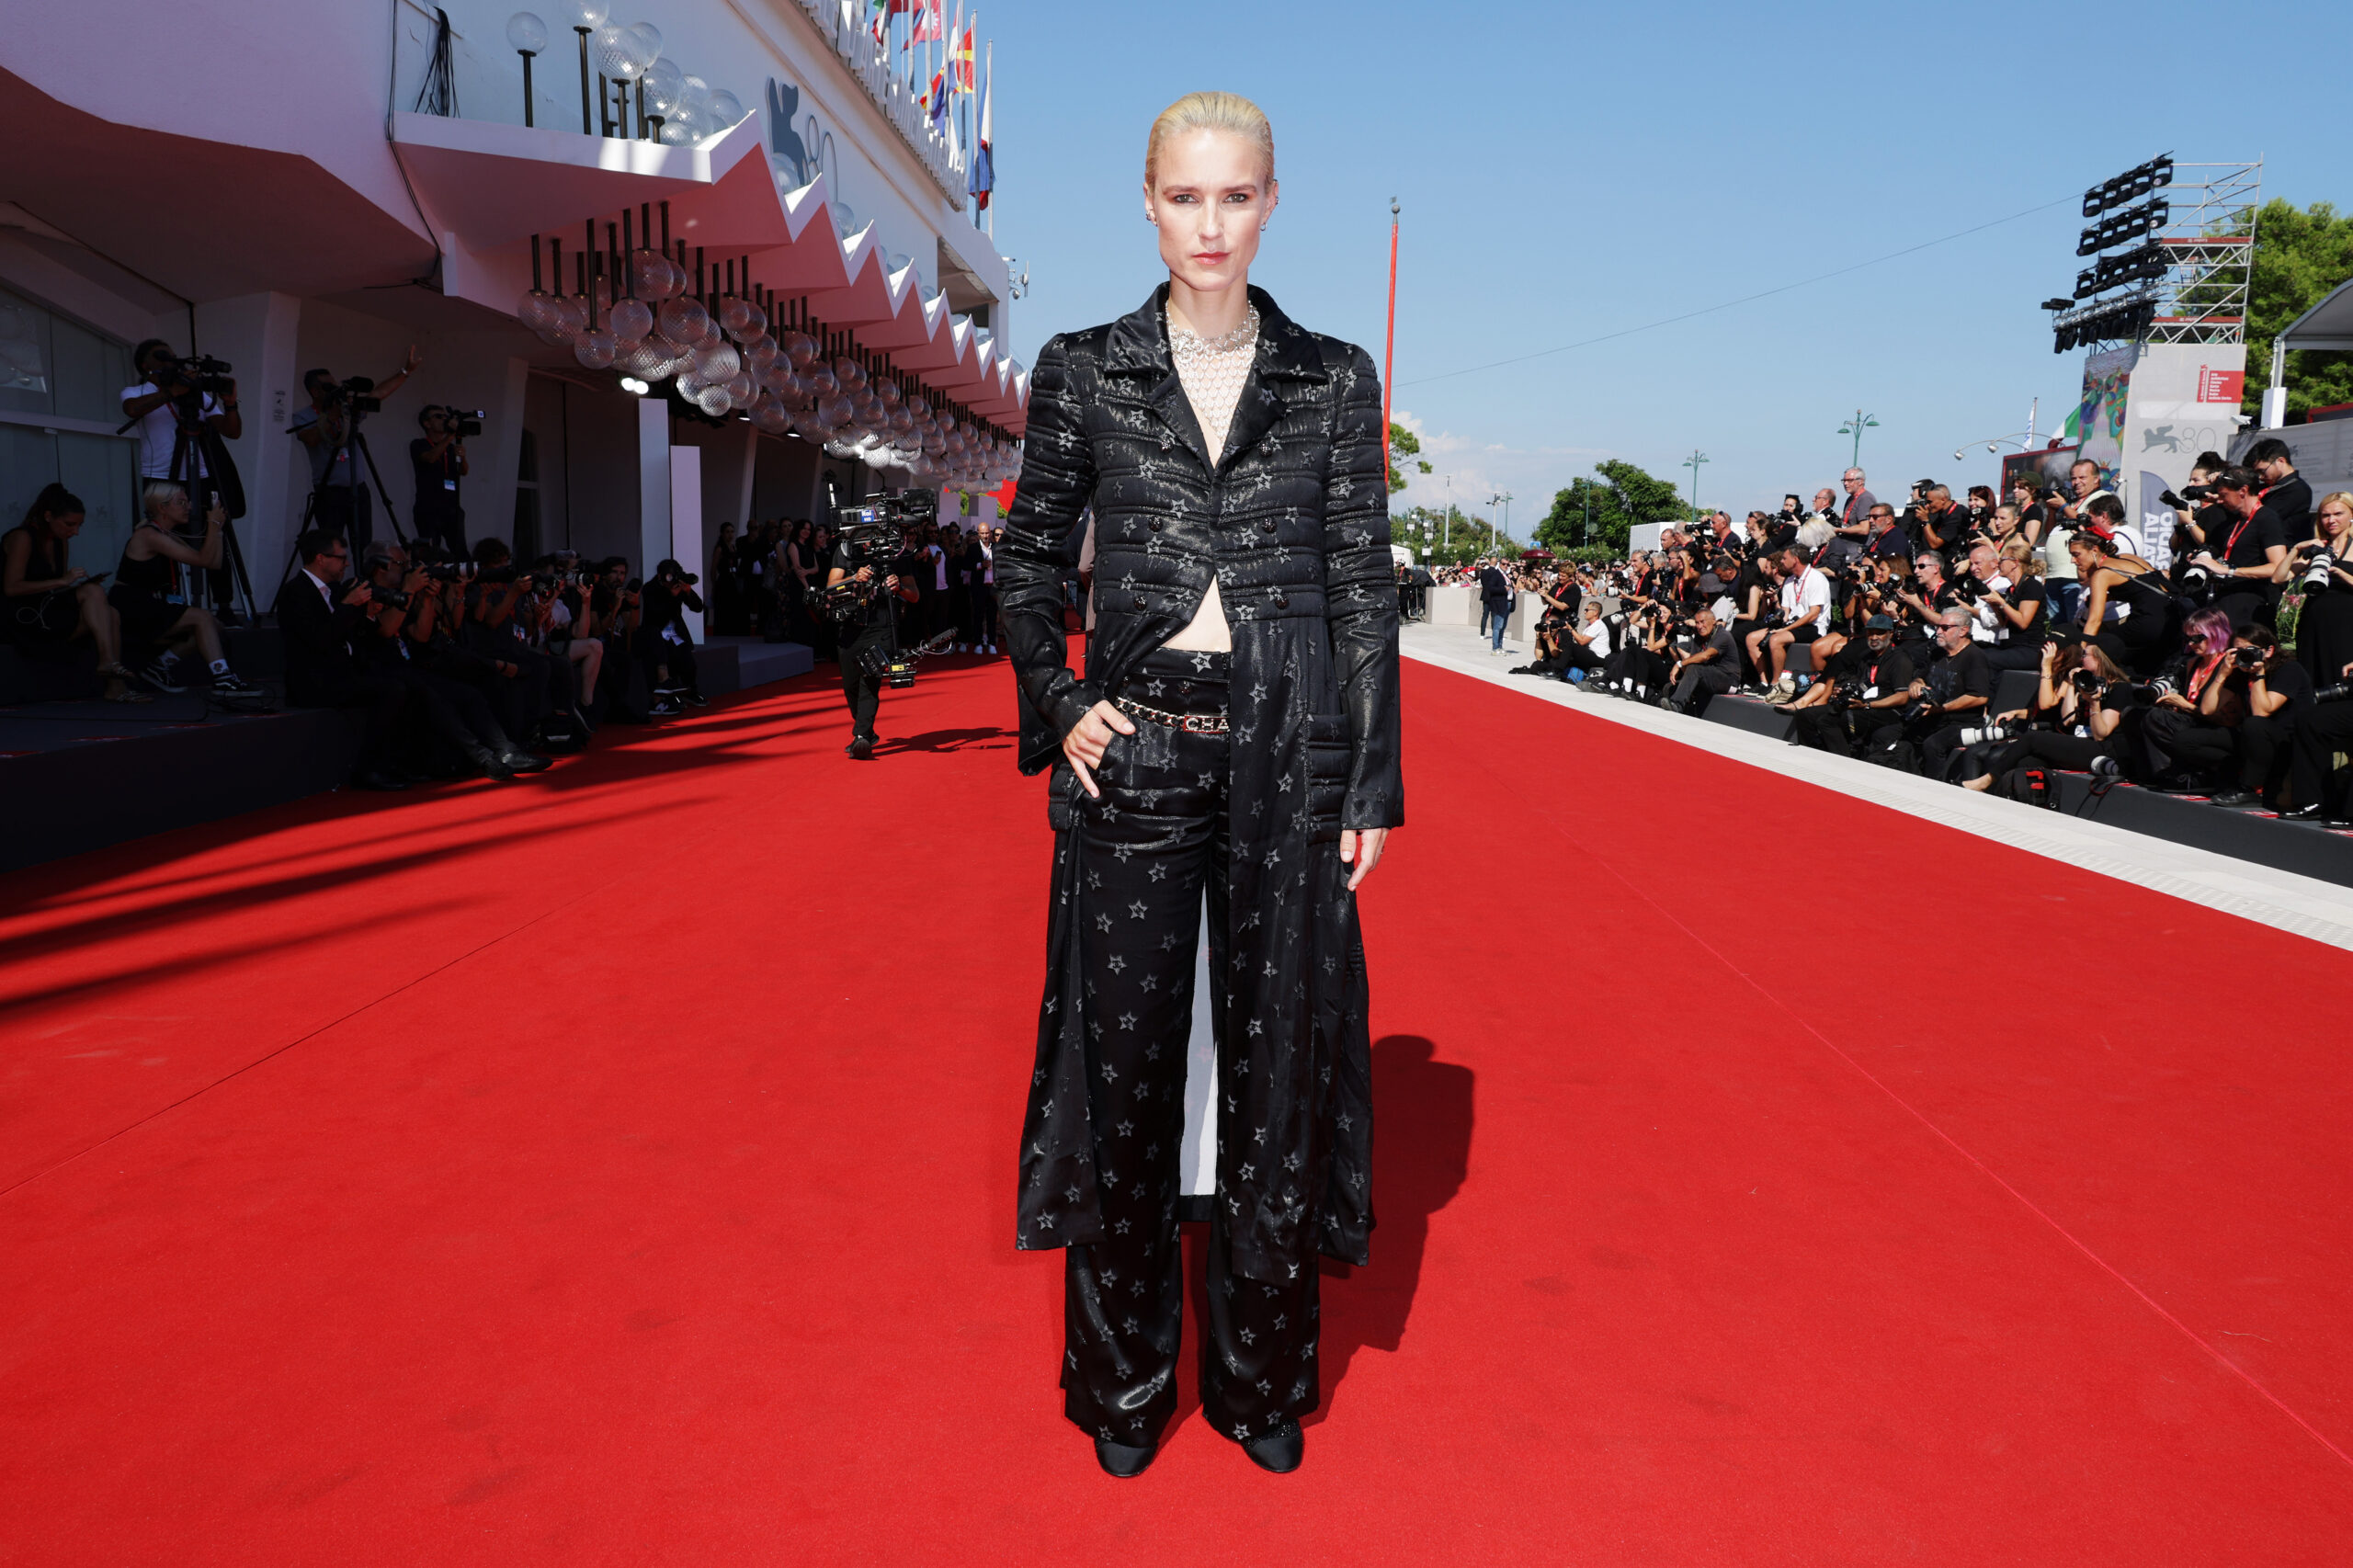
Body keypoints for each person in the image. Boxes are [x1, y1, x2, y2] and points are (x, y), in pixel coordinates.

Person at [995, 91, 1398, 1480]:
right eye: (1186, 198)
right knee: (1127, 1074)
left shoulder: (1332, 376)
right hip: (1138, 750)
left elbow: (1360, 584)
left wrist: (1369, 785)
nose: (1211, 224)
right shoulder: (1083, 367)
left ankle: (1257, 1379)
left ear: (1273, 201)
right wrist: (1061, 701)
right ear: (1149, 203)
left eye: (1237, 197)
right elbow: (1029, 560)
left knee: (1278, 1070)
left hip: (1290, 755)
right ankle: (1120, 1390)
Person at [273, 529, 412, 790]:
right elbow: (318, 640)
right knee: (391, 690)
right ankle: (368, 769)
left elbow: (357, 635)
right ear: (321, 559)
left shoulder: (336, 590)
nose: (346, 564)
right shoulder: (295, 592)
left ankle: (397, 763)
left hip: (344, 672)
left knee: (405, 681)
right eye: (341, 558)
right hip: (314, 681)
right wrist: (349, 607)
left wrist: (368, 614)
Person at [120, 339, 244, 617]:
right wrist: (172, 391)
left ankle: (224, 605)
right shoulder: (138, 390)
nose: (169, 361)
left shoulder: (195, 394)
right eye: (161, 357)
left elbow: (231, 431)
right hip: (160, 477)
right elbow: (131, 409)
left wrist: (231, 404)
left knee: (214, 534)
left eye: (173, 357)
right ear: (145, 365)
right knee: (165, 541)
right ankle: (170, 605)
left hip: (201, 476)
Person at [108, 481, 266, 699]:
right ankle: (223, 679)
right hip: (133, 604)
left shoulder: (168, 535)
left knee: (212, 623)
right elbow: (204, 559)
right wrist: (211, 525)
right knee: (202, 617)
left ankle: (158, 668)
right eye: (181, 503)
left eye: (187, 502)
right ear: (162, 508)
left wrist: (218, 531)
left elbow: (213, 562)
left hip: (150, 602)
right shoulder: (149, 535)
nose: (188, 507)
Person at [2, 483, 142, 702]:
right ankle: (107, 662)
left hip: (49, 611)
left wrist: (71, 586)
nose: (74, 532)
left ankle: (115, 684)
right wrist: (62, 580)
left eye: (79, 526)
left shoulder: (61, 541)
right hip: (24, 617)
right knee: (94, 592)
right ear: (48, 516)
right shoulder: (23, 537)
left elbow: (57, 587)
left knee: (111, 611)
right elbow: (11, 588)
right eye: (69, 525)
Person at [290, 349, 421, 551]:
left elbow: (378, 394)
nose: (334, 390)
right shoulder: (303, 417)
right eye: (328, 387)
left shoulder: (346, 410)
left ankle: (363, 581)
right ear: (315, 391)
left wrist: (406, 371)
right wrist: (331, 416)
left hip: (358, 489)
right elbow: (312, 439)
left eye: (335, 385)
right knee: (331, 546)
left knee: (364, 544)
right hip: (329, 492)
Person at [824, 524, 920, 758]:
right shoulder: (846, 550)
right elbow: (830, 589)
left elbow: (914, 595)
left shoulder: (897, 553)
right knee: (850, 685)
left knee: (870, 679)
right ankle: (866, 730)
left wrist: (898, 588)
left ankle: (862, 737)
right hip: (849, 626)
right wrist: (853, 579)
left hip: (882, 626)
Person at [1788, 612, 1915, 756]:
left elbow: (1902, 697)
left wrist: (1868, 705)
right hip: (1860, 705)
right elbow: (1859, 683)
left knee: (1829, 721)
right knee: (1805, 715)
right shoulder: (1866, 657)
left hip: (1885, 711)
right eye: (1870, 633)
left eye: (1879, 633)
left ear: (1890, 634)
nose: (1873, 637)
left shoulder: (1900, 660)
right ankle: (1812, 755)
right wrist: (1841, 691)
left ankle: (1843, 762)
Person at [2184, 465, 2287, 631]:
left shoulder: (2267, 518)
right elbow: (2217, 551)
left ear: (2243, 491)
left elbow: (2278, 567)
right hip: (2223, 598)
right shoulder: (2232, 520)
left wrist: (2230, 571)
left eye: (2224, 495)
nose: (2220, 500)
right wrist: (2202, 559)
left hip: (2250, 604)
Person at [2280, 492, 2353, 686]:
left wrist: (2342, 574)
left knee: (2340, 675)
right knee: (2312, 676)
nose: (2331, 520)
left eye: (2338, 514)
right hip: (2313, 620)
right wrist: (2296, 549)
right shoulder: (2317, 547)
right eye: (2325, 515)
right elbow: (2279, 577)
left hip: (2346, 622)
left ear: (2351, 515)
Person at [408, 404, 470, 555]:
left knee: (460, 552)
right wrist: (450, 436)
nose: (444, 420)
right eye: (438, 416)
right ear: (426, 423)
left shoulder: (450, 448)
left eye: (445, 417)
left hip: (452, 507)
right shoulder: (419, 444)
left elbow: (464, 471)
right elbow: (430, 458)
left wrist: (462, 458)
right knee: (431, 553)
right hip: (428, 508)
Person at [1665, 604, 1735, 713]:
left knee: (1695, 668)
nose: (1699, 626)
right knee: (1670, 687)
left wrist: (1679, 664)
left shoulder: (1723, 636)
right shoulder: (1699, 636)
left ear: (1713, 621)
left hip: (1728, 681)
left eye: (1703, 622)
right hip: (1708, 676)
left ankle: (1677, 704)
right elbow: (1694, 658)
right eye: (1697, 623)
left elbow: (1705, 656)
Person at [2246, 436, 2313, 537]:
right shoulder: (2265, 487)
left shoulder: (2298, 490)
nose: (2260, 477)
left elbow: (2262, 517)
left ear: (2281, 461)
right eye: (2257, 473)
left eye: (2262, 471)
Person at [1478, 555, 1513, 653]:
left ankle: (1500, 646)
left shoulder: (1506, 575)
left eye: (1507, 564)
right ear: (1499, 564)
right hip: (1499, 602)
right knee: (1497, 625)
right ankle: (1495, 647)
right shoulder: (1496, 574)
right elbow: (1491, 587)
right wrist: (1503, 589)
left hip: (1507, 602)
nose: (1506, 566)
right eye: (1503, 564)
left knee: (1502, 626)